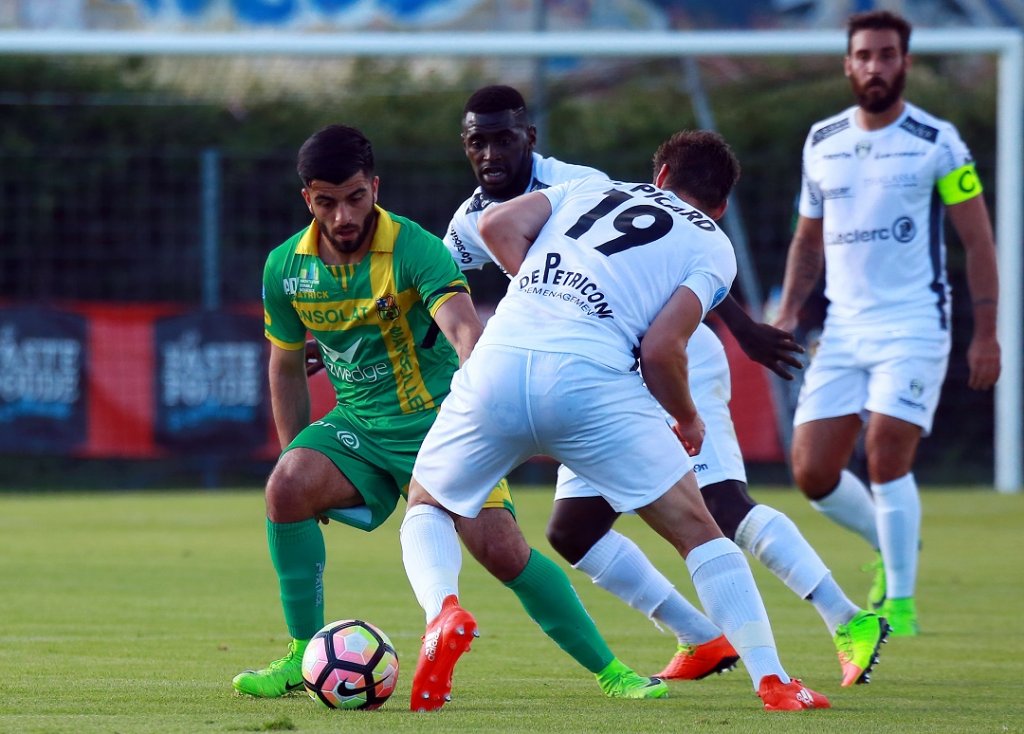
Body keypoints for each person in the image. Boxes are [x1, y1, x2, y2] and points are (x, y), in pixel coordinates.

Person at [445, 84, 887, 687]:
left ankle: (846, 618)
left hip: (672, 358)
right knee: (572, 530)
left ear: (529, 139)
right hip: (592, 368)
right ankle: (702, 638)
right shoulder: (467, 220)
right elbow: (435, 290)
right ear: (467, 147)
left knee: (720, 505)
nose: (492, 153)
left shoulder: (577, 180)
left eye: (504, 139)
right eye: (480, 142)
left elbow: (677, 244)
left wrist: (742, 326)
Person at [235, 124, 667, 707]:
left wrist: (480, 384)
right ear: (306, 199)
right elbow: (285, 367)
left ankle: (613, 672)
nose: (343, 216)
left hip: (443, 427)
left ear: (375, 188)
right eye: (326, 201)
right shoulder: (285, 268)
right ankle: (300, 655)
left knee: (501, 550)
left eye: (356, 197)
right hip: (358, 429)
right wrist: (295, 451)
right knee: (285, 485)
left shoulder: (415, 248)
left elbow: (465, 329)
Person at [773, 10, 1001, 637]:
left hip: (914, 325)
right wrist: (789, 310)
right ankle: (893, 541)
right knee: (812, 472)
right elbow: (806, 242)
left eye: (887, 55)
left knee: (885, 458)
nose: (875, 66)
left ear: (905, 62)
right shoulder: (821, 141)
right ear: (848, 65)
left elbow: (979, 244)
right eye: (864, 56)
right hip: (842, 331)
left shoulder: (937, 141)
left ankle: (899, 603)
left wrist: (986, 333)